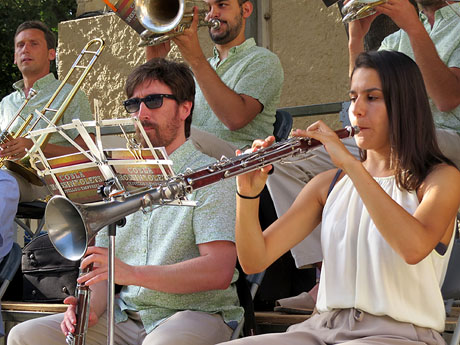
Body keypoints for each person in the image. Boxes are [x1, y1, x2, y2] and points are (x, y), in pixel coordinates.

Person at [218, 50, 460, 345]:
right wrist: (248, 192)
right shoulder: (327, 185)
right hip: (321, 329)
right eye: (353, 97)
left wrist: (349, 164)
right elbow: (254, 260)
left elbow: (412, 247)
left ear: (405, 105)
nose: (356, 111)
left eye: (372, 97)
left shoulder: (440, 179)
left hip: (399, 334)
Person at [7, 58, 243, 345]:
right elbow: (105, 271)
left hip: (197, 313)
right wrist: (88, 310)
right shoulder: (117, 178)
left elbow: (218, 270)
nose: (141, 114)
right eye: (133, 104)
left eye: (154, 101)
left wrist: (132, 273)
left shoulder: (209, 175)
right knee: (24, 335)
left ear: (185, 108)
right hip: (126, 316)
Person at [267, 0, 460, 288]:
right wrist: (355, 39)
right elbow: (361, 96)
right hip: (388, 138)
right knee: (286, 163)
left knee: (389, 135)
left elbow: (447, 98)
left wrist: (414, 27)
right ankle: (329, 274)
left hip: (448, 138)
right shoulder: (395, 39)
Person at [0, 21, 94, 261]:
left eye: (34, 44)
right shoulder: (6, 103)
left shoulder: (70, 93)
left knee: (3, 183)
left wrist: (33, 146)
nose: (25, 50)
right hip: (9, 176)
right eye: (20, 45)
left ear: (51, 54)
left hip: (44, 179)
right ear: (14, 57)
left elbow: (86, 154)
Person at [146, 0, 284, 159]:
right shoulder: (197, 70)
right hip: (195, 160)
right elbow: (156, 113)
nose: (213, 14)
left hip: (242, 162)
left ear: (245, 10)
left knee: (184, 134)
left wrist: (196, 59)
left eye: (222, 5)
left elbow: (235, 118)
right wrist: (154, 62)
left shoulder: (263, 60)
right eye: (208, 7)